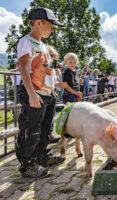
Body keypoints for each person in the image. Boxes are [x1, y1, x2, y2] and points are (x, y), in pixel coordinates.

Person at [16, 7, 66, 178]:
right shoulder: (26, 42)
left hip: (47, 94)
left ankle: (42, 157)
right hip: (35, 93)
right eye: (50, 25)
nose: (52, 29)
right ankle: (27, 164)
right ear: (38, 23)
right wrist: (31, 94)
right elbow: (23, 67)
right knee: (32, 128)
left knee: (45, 128)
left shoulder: (43, 45)